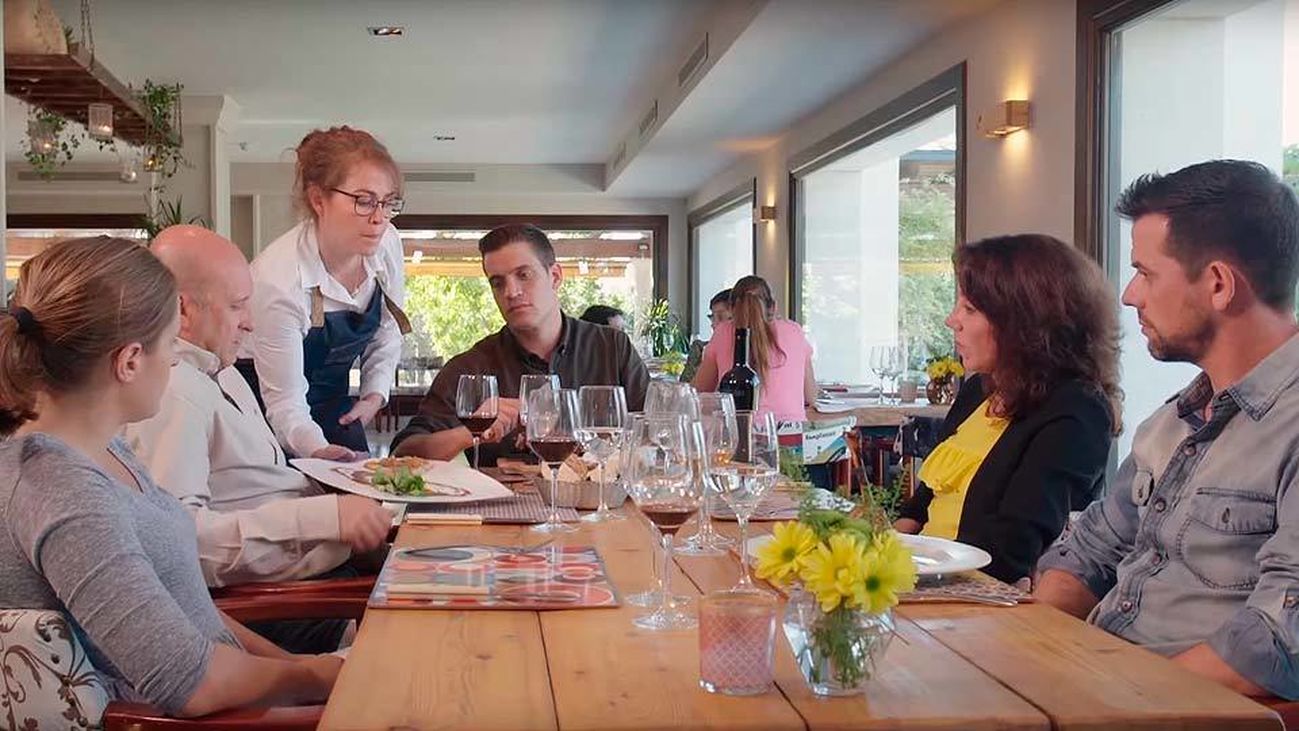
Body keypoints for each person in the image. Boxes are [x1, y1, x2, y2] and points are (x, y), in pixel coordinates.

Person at [0, 236, 339, 718]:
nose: (176, 364)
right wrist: (320, 676)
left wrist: (309, 671)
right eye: (169, 347)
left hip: (242, 699)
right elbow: (190, 681)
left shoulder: (105, 450)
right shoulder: (63, 494)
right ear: (130, 361)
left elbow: (188, 610)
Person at [1035, 160, 1299, 700]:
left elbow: (1278, 639)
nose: (1130, 295)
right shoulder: (1173, 420)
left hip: (1165, 708)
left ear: (1220, 285)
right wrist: (1039, 656)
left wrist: (1111, 692)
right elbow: (1086, 553)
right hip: (1092, 686)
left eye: (1146, 272)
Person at [124, 226, 392, 651]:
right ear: (182, 310)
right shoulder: (174, 393)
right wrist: (328, 517)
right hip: (283, 606)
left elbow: (255, 484)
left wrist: (332, 489)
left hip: (326, 576)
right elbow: (180, 546)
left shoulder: (224, 372)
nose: (250, 323)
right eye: (236, 306)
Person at [892, 234, 1120, 585]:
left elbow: (1011, 552)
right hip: (925, 582)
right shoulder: (977, 391)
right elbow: (926, 499)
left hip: (976, 599)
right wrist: (881, 551)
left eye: (970, 309)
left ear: (1024, 323)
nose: (952, 321)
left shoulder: (1076, 411)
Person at [392, 224, 649, 464]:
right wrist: (470, 432)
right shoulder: (471, 368)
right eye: (498, 282)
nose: (511, 292)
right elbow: (402, 453)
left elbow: (655, 434)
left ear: (555, 277)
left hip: (600, 509)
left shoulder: (612, 348)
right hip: (498, 511)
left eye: (524, 275)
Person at [240, 126, 410, 460]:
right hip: (265, 410)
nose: (379, 218)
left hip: (334, 403)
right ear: (319, 199)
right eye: (363, 201)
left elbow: (389, 329)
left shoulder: (386, 242)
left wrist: (375, 393)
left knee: (367, 500)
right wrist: (318, 453)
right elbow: (285, 403)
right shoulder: (277, 280)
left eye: (388, 203)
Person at [693, 276, 815, 421]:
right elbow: (811, 396)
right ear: (774, 307)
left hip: (739, 436)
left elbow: (698, 392)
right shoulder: (794, 331)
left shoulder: (723, 333)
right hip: (792, 436)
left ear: (732, 309)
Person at [681, 288, 731, 383]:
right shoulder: (699, 349)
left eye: (721, 317)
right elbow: (686, 387)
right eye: (712, 317)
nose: (714, 324)